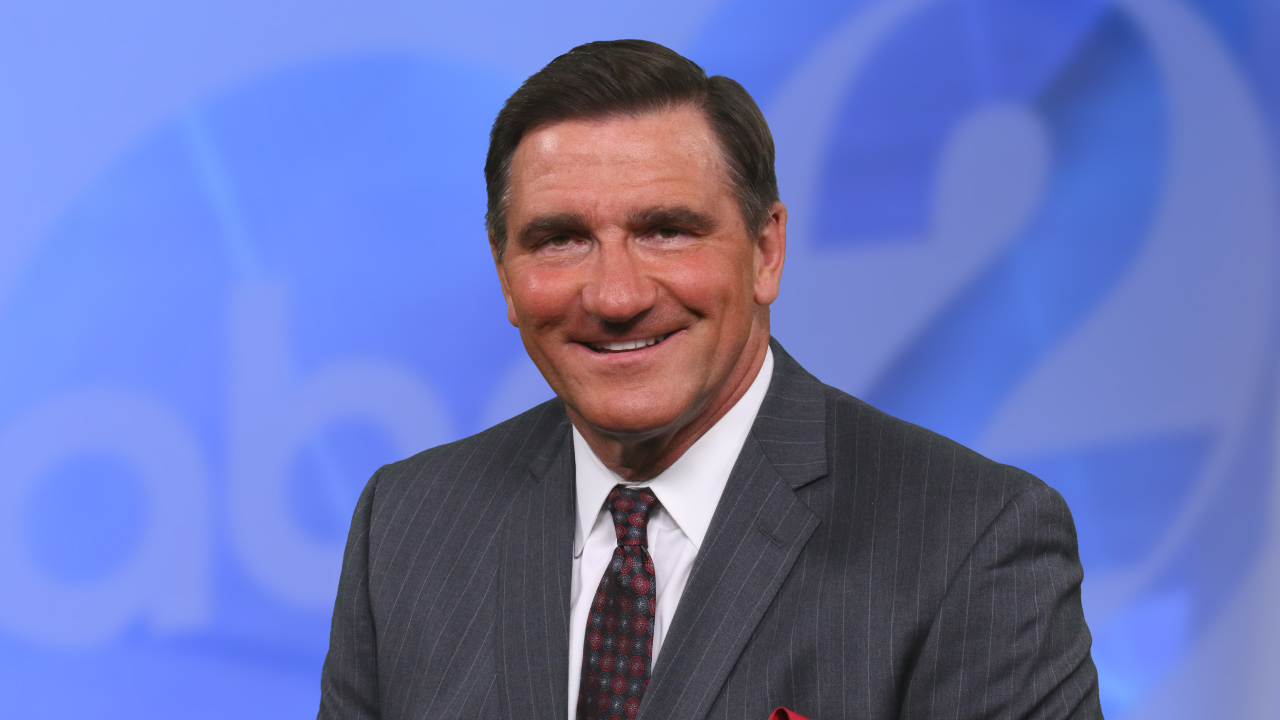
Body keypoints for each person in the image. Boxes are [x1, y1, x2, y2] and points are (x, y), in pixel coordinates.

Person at [317, 39, 1102, 720]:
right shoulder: (408, 525)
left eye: (666, 230)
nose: (616, 296)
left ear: (766, 251)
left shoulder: (971, 540)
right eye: (560, 240)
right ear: (504, 272)